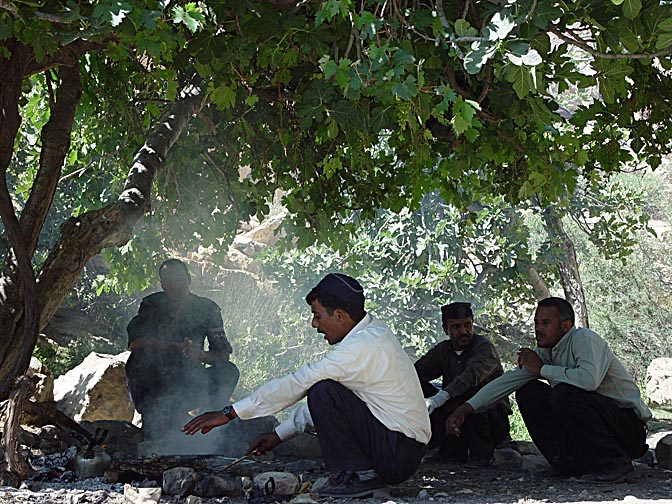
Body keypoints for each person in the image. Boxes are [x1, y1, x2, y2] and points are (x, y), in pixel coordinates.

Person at [183, 273, 430, 498]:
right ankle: (360, 475)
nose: (314, 324)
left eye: (318, 315)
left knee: (322, 390)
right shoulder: (371, 334)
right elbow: (338, 405)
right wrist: (279, 435)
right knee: (325, 390)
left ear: (341, 316)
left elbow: (300, 382)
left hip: (398, 451)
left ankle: (361, 477)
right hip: (398, 448)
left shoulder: (362, 346)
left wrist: (230, 413)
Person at [447, 297, 651, 483]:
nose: (538, 329)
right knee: (528, 391)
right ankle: (566, 464)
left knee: (564, 393)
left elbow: (589, 381)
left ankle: (614, 464)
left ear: (565, 326)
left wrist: (542, 369)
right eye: (536, 323)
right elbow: (507, 382)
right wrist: (465, 409)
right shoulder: (546, 351)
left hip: (627, 430)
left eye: (545, 323)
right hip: (597, 430)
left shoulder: (584, 339)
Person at [125, 259, 239, 442]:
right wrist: (170, 347)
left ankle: (210, 425)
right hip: (155, 383)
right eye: (168, 281)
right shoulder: (152, 304)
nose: (174, 285)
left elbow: (223, 354)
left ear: (188, 279)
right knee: (137, 360)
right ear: (162, 284)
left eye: (179, 279)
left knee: (229, 371)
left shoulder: (208, 309)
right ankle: (152, 421)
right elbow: (135, 343)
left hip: (191, 380)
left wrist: (199, 355)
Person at [414, 302, 510, 465]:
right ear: (446, 329)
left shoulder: (484, 348)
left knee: (474, 395)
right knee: (417, 388)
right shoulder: (444, 350)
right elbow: (417, 373)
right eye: (456, 327)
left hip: (489, 419)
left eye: (467, 325)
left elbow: (470, 377)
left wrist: (441, 397)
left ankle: (482, 456)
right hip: (453, 414)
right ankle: (440, 448)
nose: (463, 331)